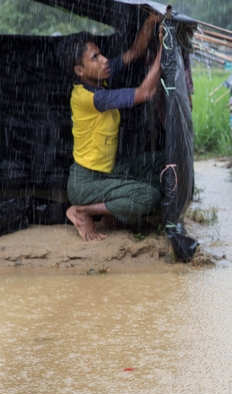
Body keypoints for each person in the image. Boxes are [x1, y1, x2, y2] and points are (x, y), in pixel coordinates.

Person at [63, 13, 164, 241]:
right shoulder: (91, 97)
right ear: (80, 71)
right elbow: (145, 93)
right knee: (148, 196)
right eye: (95, 58)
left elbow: (135, 52)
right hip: (85, 183)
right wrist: (163, 51)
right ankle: (81, 210)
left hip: (105, 176)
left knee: (163, 161)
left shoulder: (99, 80)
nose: (104, 59)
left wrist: (149, 21)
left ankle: (109, 213)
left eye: (101, 54)